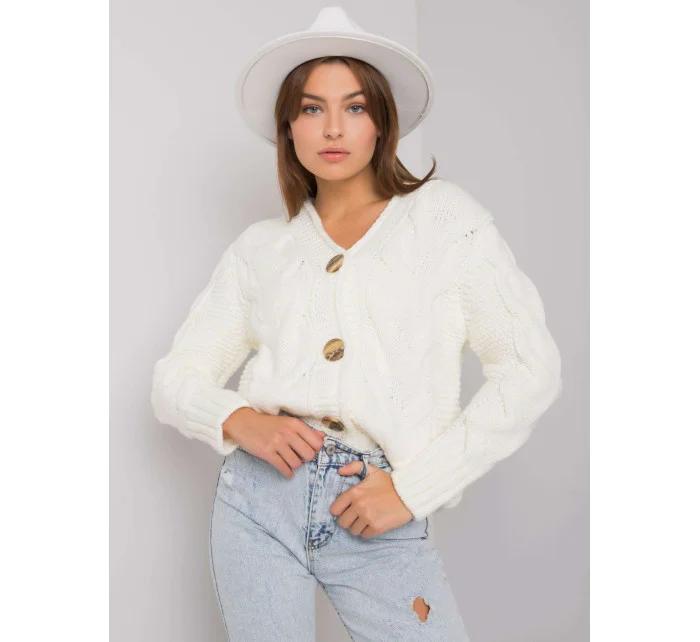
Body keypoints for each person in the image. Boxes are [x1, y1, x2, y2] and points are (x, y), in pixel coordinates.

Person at [150, 7, 563, 641]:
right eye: (312, 108)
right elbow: (174, 379)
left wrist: (413, 490)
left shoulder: (445, 221)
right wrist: (239, 419)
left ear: (382, 122)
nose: (333, 127)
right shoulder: (261, 249)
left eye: (356, 106)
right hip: (255, 503)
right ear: (289, 127)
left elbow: (530, 370)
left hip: (377, 504)